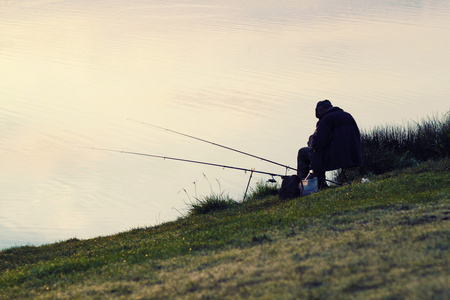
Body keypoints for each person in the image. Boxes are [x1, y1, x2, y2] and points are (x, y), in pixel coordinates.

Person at [297, 100, 362, 188]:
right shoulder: (347, 115)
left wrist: (311, 140)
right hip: (352, 156)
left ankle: (305, 186)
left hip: (335, 158)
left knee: (303, 152)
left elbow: (318, 144)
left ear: (319, 111)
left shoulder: (326, 119)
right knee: (318, 153)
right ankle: (318, 183)